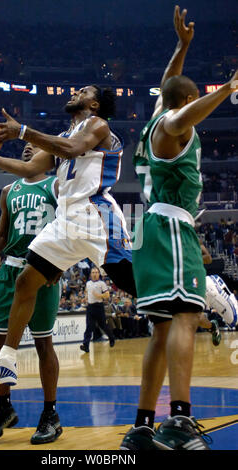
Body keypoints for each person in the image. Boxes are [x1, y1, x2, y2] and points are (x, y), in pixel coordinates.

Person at [0, 81, 137, 385]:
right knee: (26, 280)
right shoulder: (62, 137)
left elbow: (71, 149)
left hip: (95, 215)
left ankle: (202, 293)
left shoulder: (98, 125)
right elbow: (28, 169)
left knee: (136, 284)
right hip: (66, 219)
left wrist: (24, 131)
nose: (75, 93)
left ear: (94, 104)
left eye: (83, 91)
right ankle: (6, 360)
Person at [121, 5, 238, 451]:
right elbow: (179, 115)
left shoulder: (157, 113)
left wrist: (182, 47)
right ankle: (181, 422)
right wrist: (227, 88)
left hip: (153, 230)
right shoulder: (171, 125)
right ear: (188, 102)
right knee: (188, 317)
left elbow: (169, 88)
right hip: (171, 228)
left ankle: (143, 426)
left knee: (164, 328)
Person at [0, 143, 61, 445]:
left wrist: (61, 263)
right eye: (25, 146)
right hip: (10, 271)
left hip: (43, 270)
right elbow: (2, 236)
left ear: (49, 157)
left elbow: (71, 227)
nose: (29, 148)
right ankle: (4, 407)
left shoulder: (57, 185)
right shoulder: (9, 191)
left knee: (44, 344)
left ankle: (50, 415)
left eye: (36, 146)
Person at [80, 266, 114, 353]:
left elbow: (107, 295)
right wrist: (85, 298)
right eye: (93, 272)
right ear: (90, 274)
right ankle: (86, 346)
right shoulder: (88, 283)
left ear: (99, 274)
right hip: (90, 307)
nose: (95, 274)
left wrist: (99, 296)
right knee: (89, 327)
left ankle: (111, 337)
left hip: (99, 307)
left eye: (96, 272)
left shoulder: (102, 283)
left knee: (103, 325)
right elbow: (87, 292)